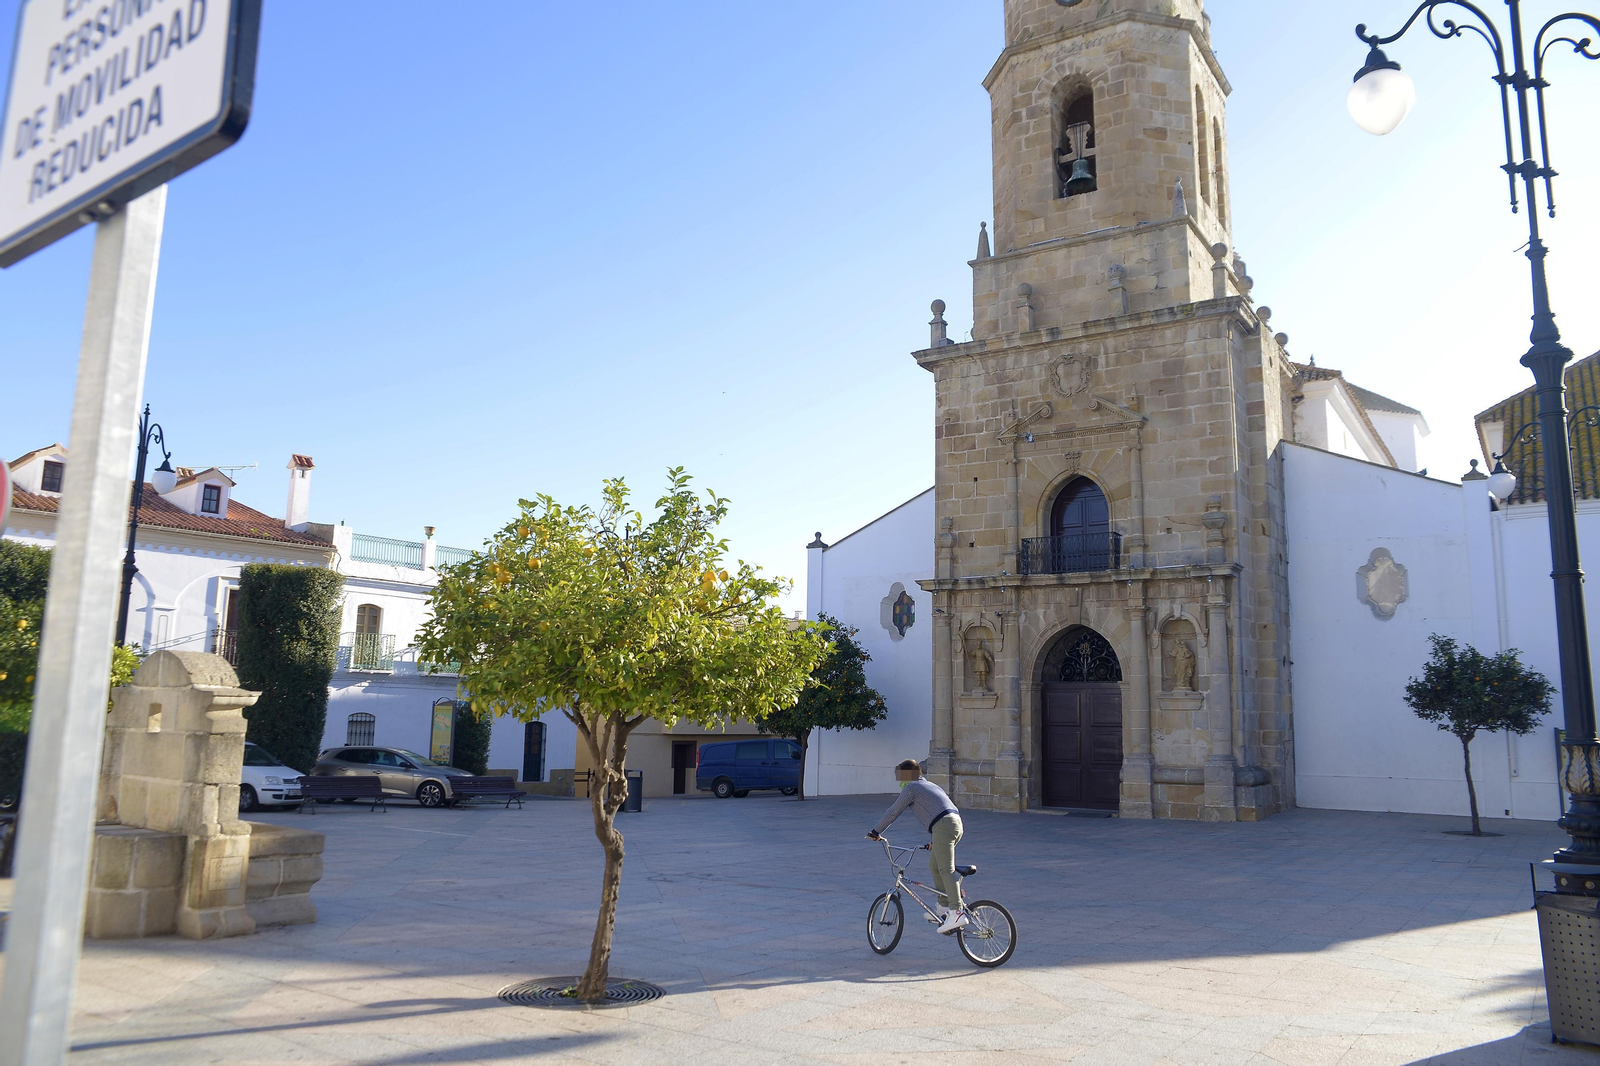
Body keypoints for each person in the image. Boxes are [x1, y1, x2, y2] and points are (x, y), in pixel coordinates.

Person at [866, 759, 967, 933]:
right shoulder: (930, 785)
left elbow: (893, 811)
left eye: (901, 777)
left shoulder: (911, 788)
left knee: (945, 869)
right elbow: (939, 809)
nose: (900, 781)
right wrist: (935, 842)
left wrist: (876, 831)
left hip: (943, 825)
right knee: (934, 866)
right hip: (954, 824)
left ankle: (957, 912)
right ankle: (943, 909)